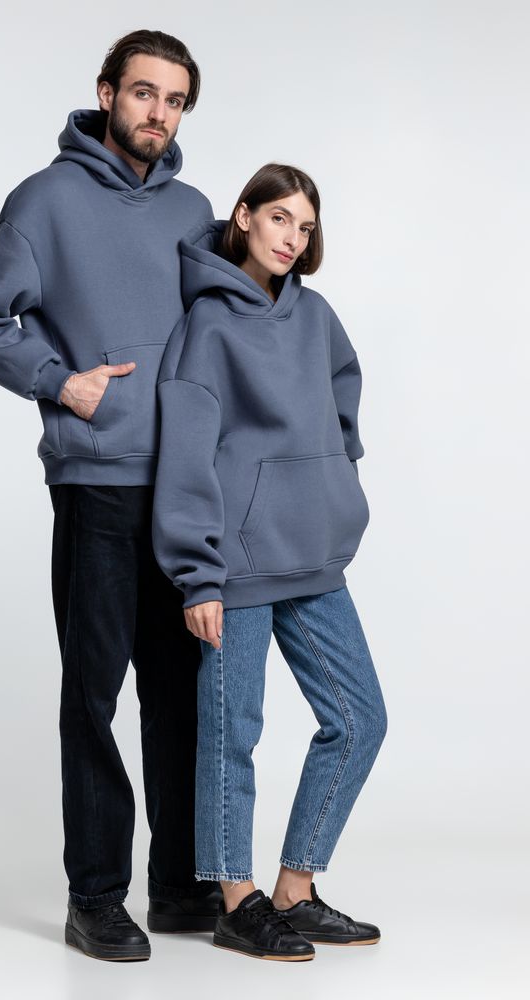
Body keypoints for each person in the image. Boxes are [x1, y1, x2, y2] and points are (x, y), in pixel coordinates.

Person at [0, 29, 222, 962]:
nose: (158, 113)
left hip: (183, 491)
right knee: (94, 696)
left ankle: (180, 888)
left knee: (182, 698)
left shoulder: (194, 210)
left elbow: (221, 333)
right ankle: (96, 896)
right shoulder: (45, 199)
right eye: (144, 93)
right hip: (98, 487)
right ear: (107, 93)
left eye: (174, 100)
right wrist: (61, 383)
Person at [152, 164, 388, 961]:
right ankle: (235, 898)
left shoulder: (316, 316)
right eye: (280, 218)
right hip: (237, 566)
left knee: (360, 719)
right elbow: (187, 456)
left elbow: (343, 398)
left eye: (306, 226)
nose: (292, 237)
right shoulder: (208, 326)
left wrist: (334, 475)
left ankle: (294, 889)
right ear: (245, 217)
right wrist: (199, 574)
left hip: (315, 556)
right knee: (233, 733)